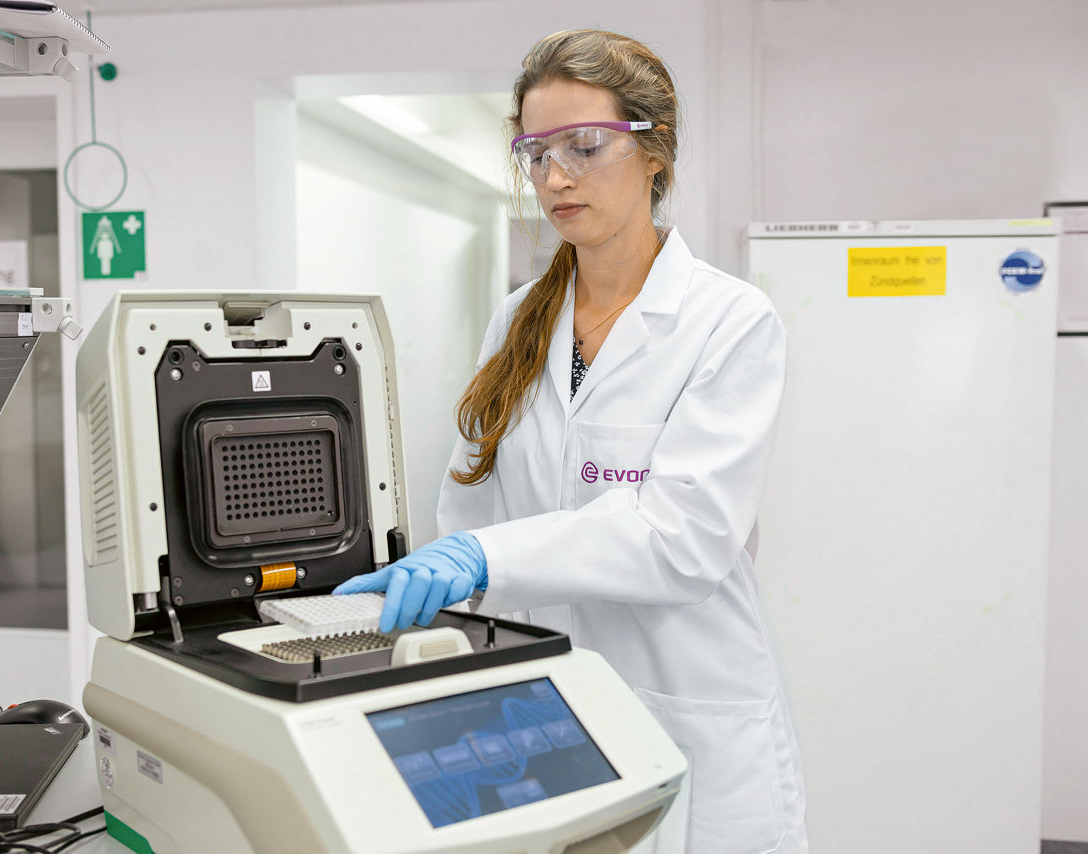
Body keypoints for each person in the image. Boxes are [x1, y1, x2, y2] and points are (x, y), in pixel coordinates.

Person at [335, 28, 808, 853]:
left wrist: (486, 557)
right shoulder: (518, 319)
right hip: (541, 707)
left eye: (583, 147)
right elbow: (471, 510)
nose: (555, 177)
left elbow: (685, 537)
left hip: (685, 708)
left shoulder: (729, 321)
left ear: (653, 150)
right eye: (535, 153)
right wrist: (434, 608)